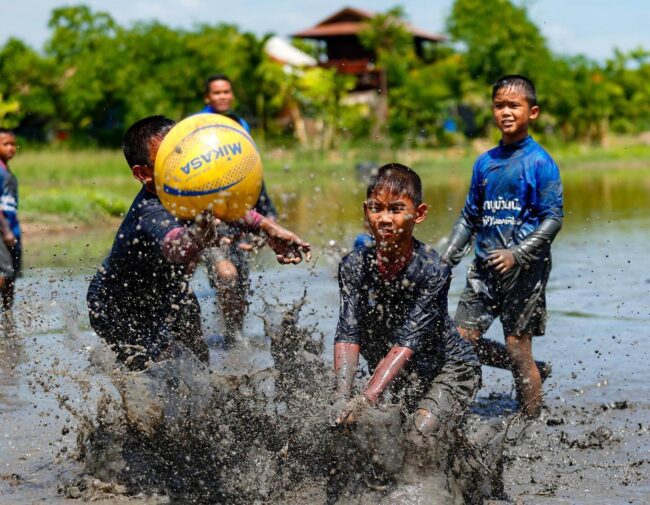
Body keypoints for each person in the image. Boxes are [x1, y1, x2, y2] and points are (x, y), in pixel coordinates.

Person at [86, 115, 310, 370]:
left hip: (170, 292)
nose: (181, 165)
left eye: (182, 155)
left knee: (199, 361)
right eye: (167, 161)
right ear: (143, 174)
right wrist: (197, 236)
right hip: (118, 306)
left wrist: (269, 228)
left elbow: (229, 209)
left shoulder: (188, 189)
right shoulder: (149, 211)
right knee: (160, 371)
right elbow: (175, 246)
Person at [332, 163, 480, 480]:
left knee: (419, 436)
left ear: (420, 213)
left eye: (397, 209)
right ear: (366, 211)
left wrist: (366, 399)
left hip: (450, 367)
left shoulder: (433, 270)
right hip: (400, 373)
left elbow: (407, 341)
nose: (385, 218)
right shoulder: (353, 265)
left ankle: (469, 473)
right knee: (378, 439)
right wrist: (341, 400)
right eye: (376, 208)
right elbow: (347, 333)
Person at [442, 75, 563, 418]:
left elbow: (553, 219)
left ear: (532, 111)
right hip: (484, 269)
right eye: (499, 106)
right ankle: (454, 411)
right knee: (460, 342)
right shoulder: (484, 163)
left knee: (516, 347)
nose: (506, 112)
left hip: (524, 270)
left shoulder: (540, 162)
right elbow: (469, 218)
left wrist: (517, 254)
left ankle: (529, 420)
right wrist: (445, 259)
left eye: (514, 105)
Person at [201, 73, 276, 346]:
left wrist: (262, 234)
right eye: (216, 92)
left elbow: (265, 204)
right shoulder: (199, 146)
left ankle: (233, 340)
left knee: (240, 287)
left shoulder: (240, 133)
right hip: (210, 231)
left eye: (226, 92)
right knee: (226, 275)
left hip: (240, 230)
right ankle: (227, 337)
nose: (222, 96)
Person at [0, 129, 21, 337]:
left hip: (12, 229)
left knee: (12, 275)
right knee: (5, 274)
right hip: (2, 230)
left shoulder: (8, 171)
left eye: (13, 144)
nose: (10, 148)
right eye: (5, 144)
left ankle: (8, 317)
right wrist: (5, 230)